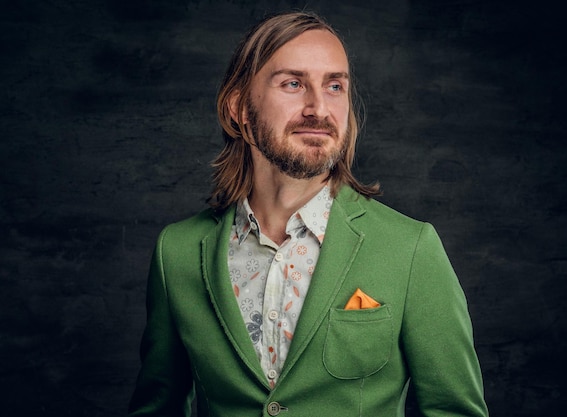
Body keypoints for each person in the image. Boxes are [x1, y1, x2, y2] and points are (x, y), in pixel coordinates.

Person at [128, 11, 488, 417]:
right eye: (294, 84)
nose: (319, 107)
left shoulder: (410, 248)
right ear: (240, 107)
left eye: (334, 86)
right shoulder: (176, 252)